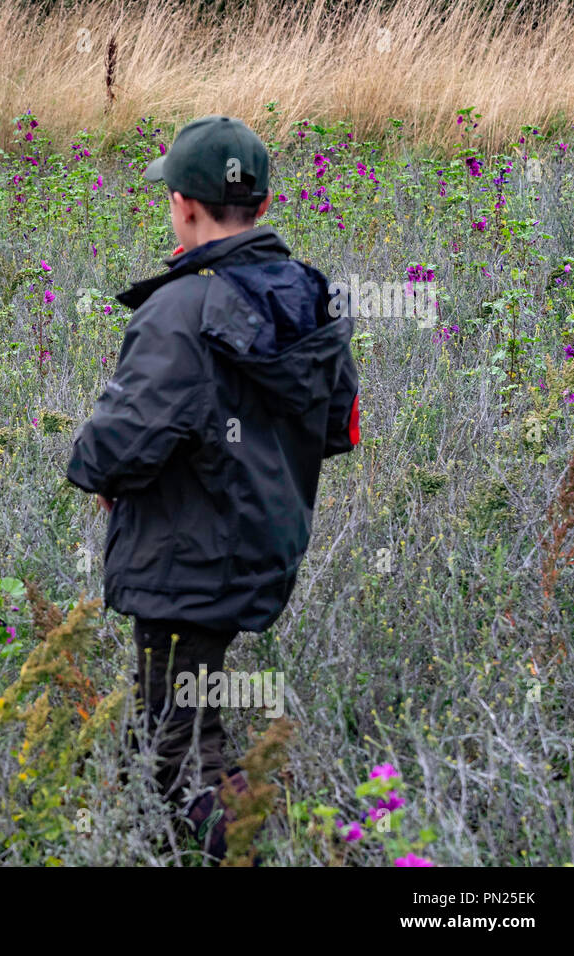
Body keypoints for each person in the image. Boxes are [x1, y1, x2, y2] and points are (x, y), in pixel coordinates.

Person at [66, 115, 361, 861]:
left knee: (175, 754)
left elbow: (115, 448)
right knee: (176, 719)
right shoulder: (309, 294)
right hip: (258, 551)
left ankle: (252, 849)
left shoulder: (182, 308)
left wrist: (104, 474)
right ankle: (197, 839)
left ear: (184, 206)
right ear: (261, 207)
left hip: (182, 558)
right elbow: (336, 429)